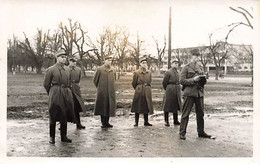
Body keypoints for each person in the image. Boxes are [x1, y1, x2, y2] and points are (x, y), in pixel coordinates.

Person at [43, 50, 77, 144]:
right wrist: (52, 93)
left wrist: (68, 91)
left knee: (65, 113)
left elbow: (69, 82)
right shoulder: (51, 69)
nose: (64, 58)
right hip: (55, 92)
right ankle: (52, 137)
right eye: (61, 57)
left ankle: (63, 136)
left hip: (66, 92)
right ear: (57, 58)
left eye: (65, 57)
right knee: (54, 113)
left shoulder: (67, 69)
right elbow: (46, 84)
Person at [179, 49, 212, 140]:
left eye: (198, 56)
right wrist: (193, 80)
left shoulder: (200, 67)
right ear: (191, 57)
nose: (197, 58)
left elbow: (202, 81)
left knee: (200, 114)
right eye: (195, 56)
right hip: (189, 93)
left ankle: (201, 132)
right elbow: (181, 81)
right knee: (185, 114)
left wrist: (203, 80)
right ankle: (182, 132)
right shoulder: (186, 67)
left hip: (199, 93)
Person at [93, 55, 116, 128]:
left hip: (111, 91)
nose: (109, 62)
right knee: (102, 106)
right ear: (104, 61)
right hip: (102, 92)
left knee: (109, 106)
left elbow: (114, 79)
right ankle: (103, 122)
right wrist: (100, 88)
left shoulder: (113, 69)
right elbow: (95, 80)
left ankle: (107, 122)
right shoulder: (99, 69)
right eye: (108, 60)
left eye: (111, 60)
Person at [131, 56, 154, 127]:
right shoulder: (136, 72)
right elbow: (134, 83)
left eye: (145, 63)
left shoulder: (149, 72)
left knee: (146, 106)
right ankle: (136, 122)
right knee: (137, 106)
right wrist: (138, 88)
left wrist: (147, 88)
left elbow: (150, 81)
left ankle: (146, 122)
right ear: (140, 64)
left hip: (147, 90)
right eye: (143, 63)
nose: (144, 64)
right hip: (139, 90)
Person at [162, 60, 182, 126]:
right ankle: (166, 120)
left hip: (177, 89)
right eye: (175, 63)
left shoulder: (178, 72)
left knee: (176, 105)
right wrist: (167, 89)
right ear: (171, 64)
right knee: (167, 104)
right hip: (170, 89)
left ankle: (175, 120)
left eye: (177, 64)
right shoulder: (168, 72)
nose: (176, 65)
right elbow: (164, 82)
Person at [68, 58, 87, 129]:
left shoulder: (78, 70)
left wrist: (76, 86)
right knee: (66, 106)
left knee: (76, 106)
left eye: (75, 62)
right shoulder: (65, 69)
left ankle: (78, 124)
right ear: (69, 62)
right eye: (72, 61)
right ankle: (63, 124)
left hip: (76, 90)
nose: (74, 63)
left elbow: (78, 80)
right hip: (68, 89)